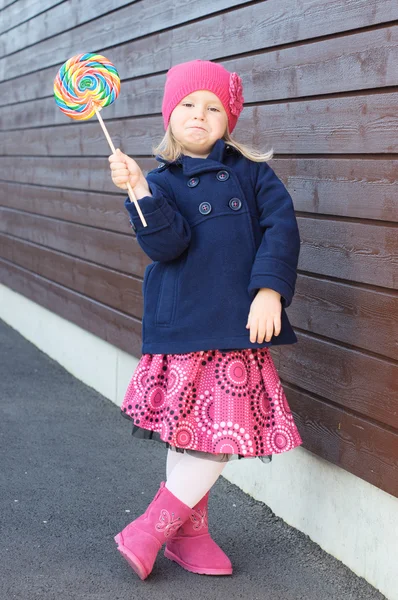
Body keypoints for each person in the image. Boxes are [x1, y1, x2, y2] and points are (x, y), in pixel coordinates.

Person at [109, 59, 303, 580]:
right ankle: (181, 533)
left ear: (229, 118)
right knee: (192, 435)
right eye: (188, 105)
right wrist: (139, 193)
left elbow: (281, 229)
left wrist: (269, 291)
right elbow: (167, 245)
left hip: (234, 326)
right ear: (170, 115)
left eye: (213, 106)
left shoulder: (252, 173)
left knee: (216, 435)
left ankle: (155, 529)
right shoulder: (161, 181)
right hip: (181, 325)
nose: (199, 114)